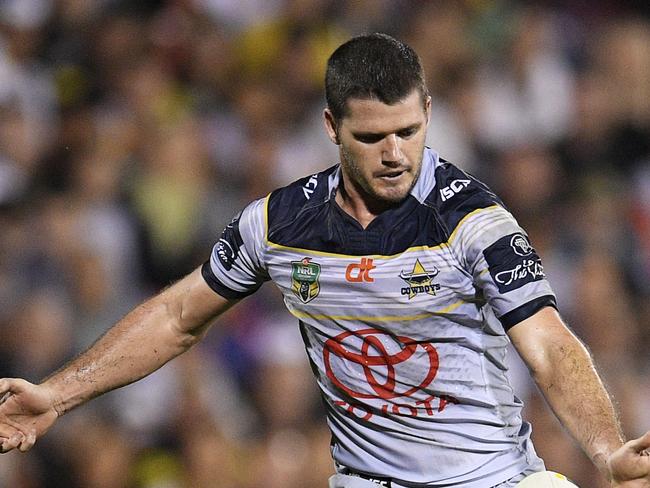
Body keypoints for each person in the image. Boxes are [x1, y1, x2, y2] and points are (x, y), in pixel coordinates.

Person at [0, 33, 649, 488]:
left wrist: (607, 449)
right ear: (332, 127)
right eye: (371, 137)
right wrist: (58, 392)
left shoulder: (474, 223)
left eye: (408, 132)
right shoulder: (278, 224)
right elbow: (177, 317)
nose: (395, 153)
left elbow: (548, 344)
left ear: (427, 113)